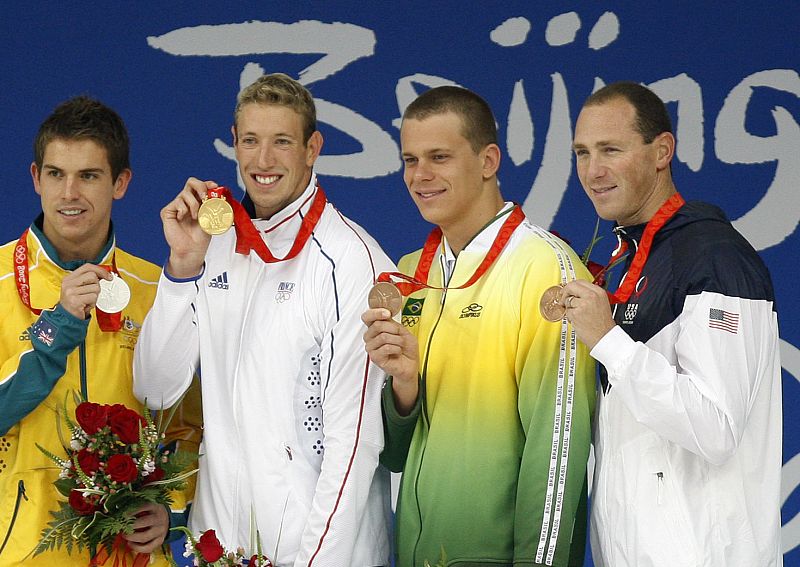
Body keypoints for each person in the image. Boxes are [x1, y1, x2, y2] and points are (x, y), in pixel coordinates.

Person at [133, 73, 392, 566]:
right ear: (234, 142)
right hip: (220, 548)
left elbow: (354, 446)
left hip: (314, 554)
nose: (263, 160)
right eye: (251, 141)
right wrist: (182, 268)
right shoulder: (213, 245)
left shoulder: (349, 261)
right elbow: (156, 391)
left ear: (312, 149)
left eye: (282, 142)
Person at [362, 86, 596, 566]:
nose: (420, 176)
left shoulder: (545, 271)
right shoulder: (409, 275)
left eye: (439, 157)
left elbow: (558, 454)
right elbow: (394, 456)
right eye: (410, 160)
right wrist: (404, 387)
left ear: (488, 161)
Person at [565, 81, 782, 566]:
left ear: (662, 151)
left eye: (610, 150)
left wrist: (608, 341)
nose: (592, 171)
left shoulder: (715, 256)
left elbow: (715, 429)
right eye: (582, 153)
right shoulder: (631, 261)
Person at [0, 97, 199, 566]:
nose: (69, 193)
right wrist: (59, 325)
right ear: (36, 178)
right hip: (26, 552)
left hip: (132, 555)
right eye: (56, 174)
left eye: (88, 175)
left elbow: (191, 426)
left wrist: (171, 508)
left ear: (120, 183)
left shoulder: (158, 289)